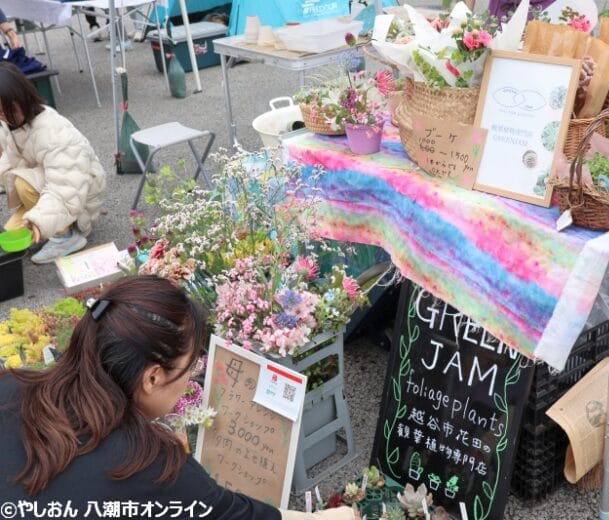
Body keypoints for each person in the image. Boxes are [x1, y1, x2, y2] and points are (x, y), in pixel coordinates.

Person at [0, 275, 354, 520]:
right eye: (189, 369)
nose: (190, 381)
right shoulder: (149, 465)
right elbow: (232, 513)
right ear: (152, 377)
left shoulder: (10, 387)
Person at [0, 62, 106, 264]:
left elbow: (64, 187)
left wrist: (38, 220)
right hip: (46, 184)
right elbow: (9, 161)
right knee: (10, 234)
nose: (3, 116)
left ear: (23, 96)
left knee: (23, 186)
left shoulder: (54, 132)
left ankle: (67, 237)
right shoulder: (11, 123)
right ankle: (50, 226)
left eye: (7, 109)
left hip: (79, 195)